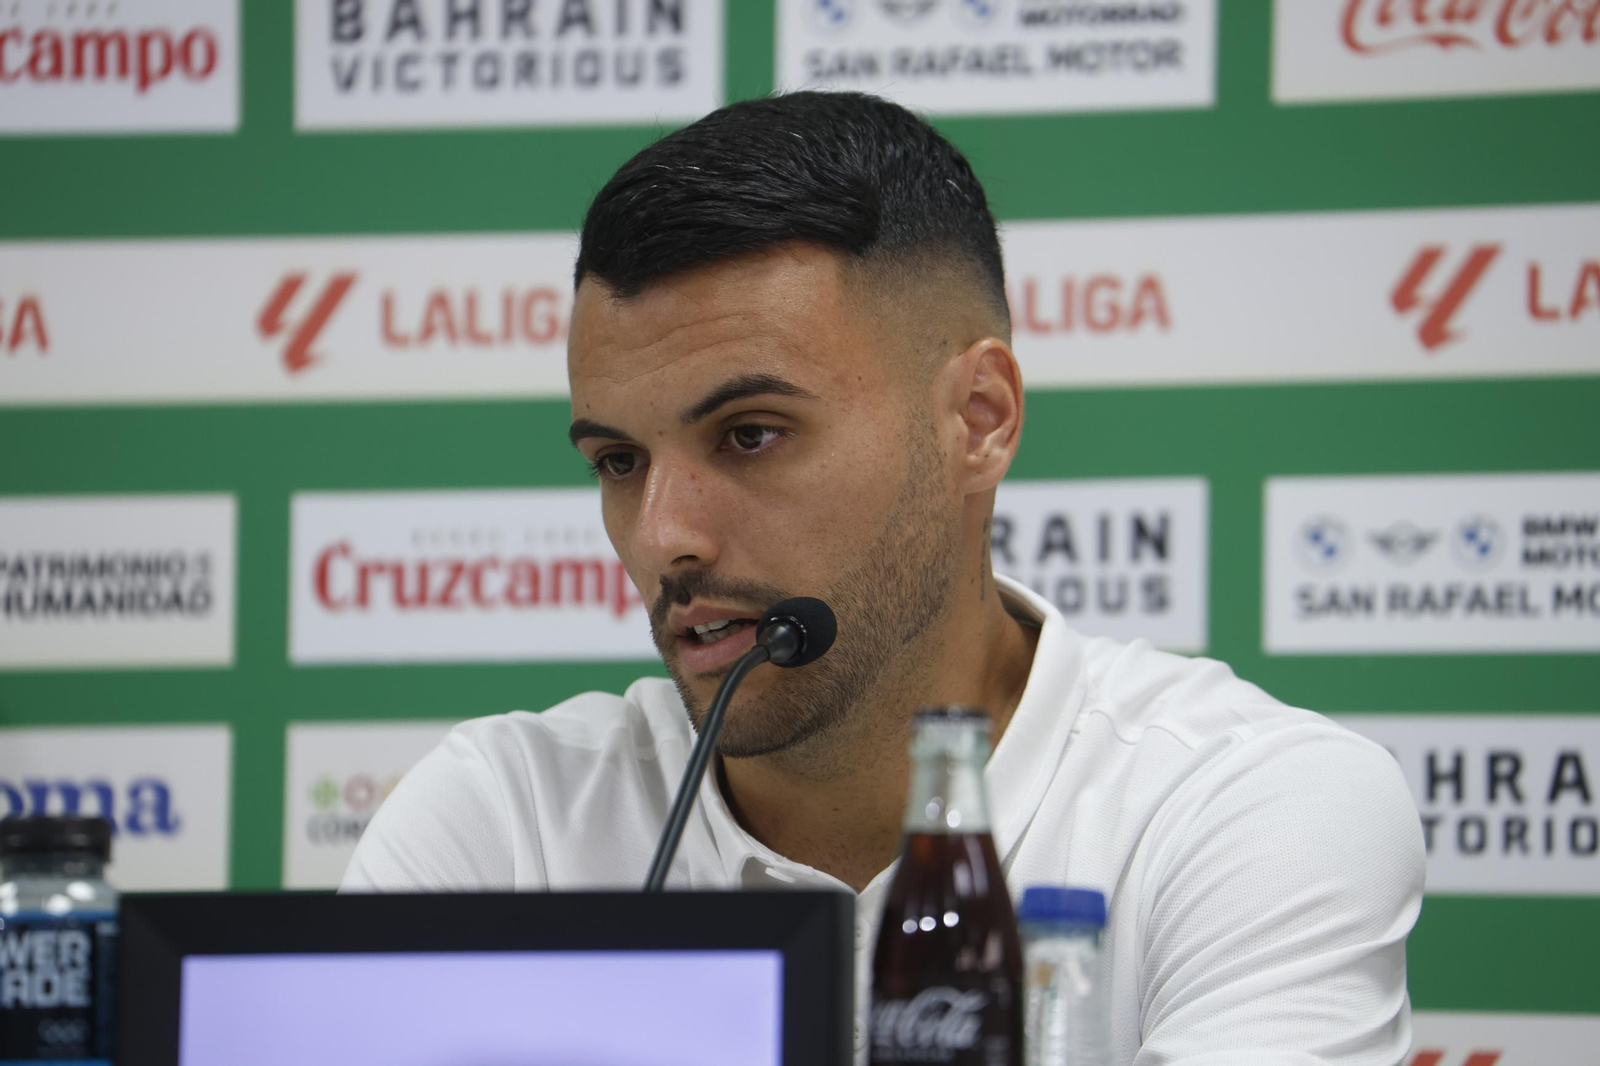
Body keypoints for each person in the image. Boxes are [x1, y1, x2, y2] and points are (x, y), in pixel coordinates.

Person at [344, 91, 1426, 1065]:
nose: (663, 536)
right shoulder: (502, 819)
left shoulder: (1240, 804)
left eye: (750, 434)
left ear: (976, 421)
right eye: (618, 462)